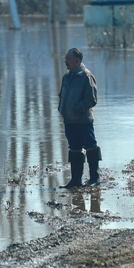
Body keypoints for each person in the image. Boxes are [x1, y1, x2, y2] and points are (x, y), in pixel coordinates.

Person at [58, 47, 101, 188]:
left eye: (68, 59)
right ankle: (76, 180)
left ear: (77, 60)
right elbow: (61, 96)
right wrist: (62, 109)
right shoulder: (66, 77)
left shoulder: (86, 76)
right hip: (69, 121)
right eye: (65, 59)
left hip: (83, 121)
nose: (65, 61)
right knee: (74, 149)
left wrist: (76, 109)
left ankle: (94, 178)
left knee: (91, 147)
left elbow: (92, 99)